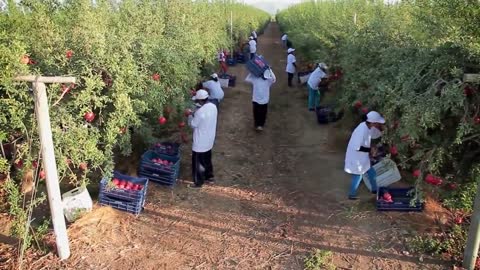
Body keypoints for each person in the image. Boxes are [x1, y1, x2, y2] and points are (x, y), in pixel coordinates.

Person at [344, 111, 385, 200]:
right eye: (378, 123)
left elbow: (375, 134)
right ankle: (352, 195)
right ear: (373, 122)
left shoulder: (368, 126)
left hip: (362, 156)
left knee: (371, 172)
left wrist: (383, 131)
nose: (378, 124)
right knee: (358, 176)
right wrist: (370, 150)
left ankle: (374, 190)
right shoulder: (361, 130)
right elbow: (357, 147)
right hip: (356, 157)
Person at [188, 90, 218, 188]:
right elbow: (204, 117)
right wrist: (195, 113)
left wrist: (189, 115)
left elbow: (192, 124)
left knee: (198, 163)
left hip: (200, 142)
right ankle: (209, 177)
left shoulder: (200, 112)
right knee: (207, 158)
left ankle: (198, 182)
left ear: (200, 101)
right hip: (209, 139)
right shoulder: (213, 107)